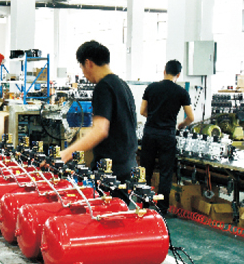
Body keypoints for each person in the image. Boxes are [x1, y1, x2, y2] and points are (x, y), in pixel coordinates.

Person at [60, 41, 137, 183]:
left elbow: (100, 130)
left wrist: (66, 154)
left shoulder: (103, 87)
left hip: (111, 172)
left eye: (81, 67)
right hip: (128, 166)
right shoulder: (122, 85)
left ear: (88, 63)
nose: (83, 74)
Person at [140, 60, 194, 215]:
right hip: (167, 135)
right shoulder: (181, 92)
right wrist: (181, 125)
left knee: (146, 171)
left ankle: (144, 204)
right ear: (178, 74)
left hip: (150, 133)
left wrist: (154, 118)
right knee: (165, 173)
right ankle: (162, 209)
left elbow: (142, 111)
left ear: (164, 71)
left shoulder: (151, 88)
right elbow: (191, 117)